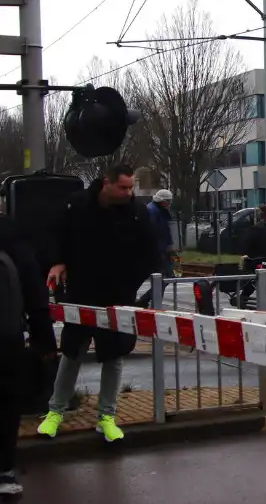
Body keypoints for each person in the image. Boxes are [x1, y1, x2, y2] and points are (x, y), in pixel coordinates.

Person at [38, 164, 159, 443]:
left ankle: (107, 416)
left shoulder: (137, 214)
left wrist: (129, 286)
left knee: (113, 356)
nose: (129, 193)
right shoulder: (76, 205)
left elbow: (149, 253)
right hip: (81, 293)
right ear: (107, 182)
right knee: (72, 353)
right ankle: (55, 411)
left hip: (116, 297)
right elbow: (56, 235)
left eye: (131, 188)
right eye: (123, 187)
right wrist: (57, 262)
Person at [0, 215, 56, 496]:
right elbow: (35, 294)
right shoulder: (12, 237)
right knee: (7, 404)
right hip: (7, 340)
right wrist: (43, 338)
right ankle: (4, 471)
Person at [136, 189, 177, 308]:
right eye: (168, 201)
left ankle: (148, 300)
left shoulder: (158, 210)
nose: (170, 203)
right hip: (158, 251)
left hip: (162, 249)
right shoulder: (153, 211)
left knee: (164, 277)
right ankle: (151, 301)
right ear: (162, 201)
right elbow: (154, 233)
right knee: (164, 277)